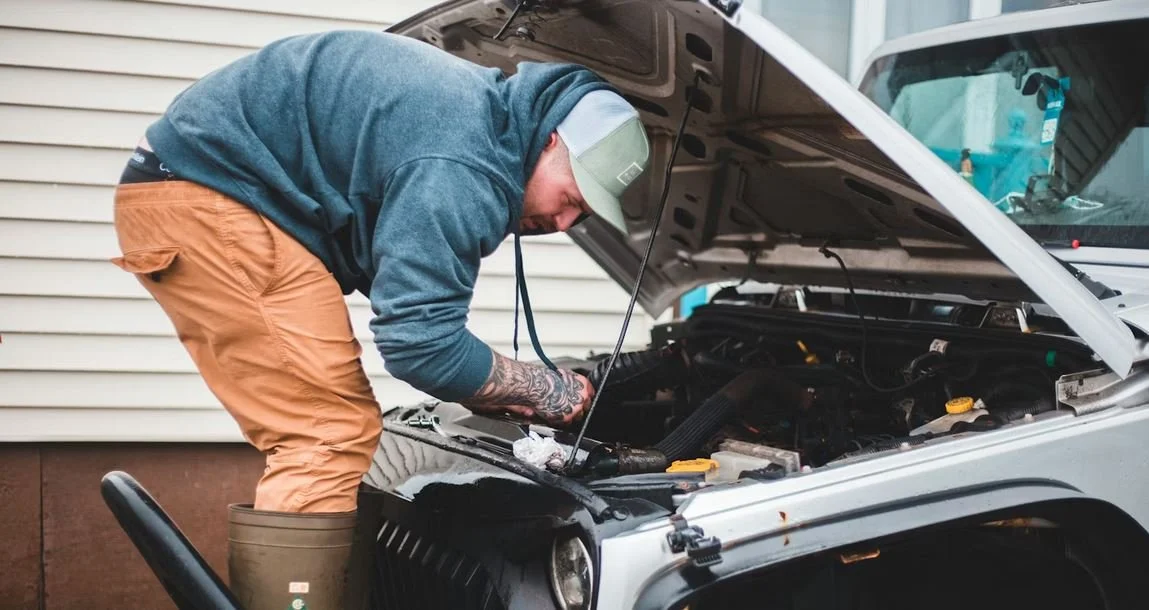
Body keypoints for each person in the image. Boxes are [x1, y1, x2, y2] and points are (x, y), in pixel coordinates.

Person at [108, 29, 650, 609]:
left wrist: (491, 386)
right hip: (209, 198)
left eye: (583, 213)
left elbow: (412, 309)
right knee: (325, 433)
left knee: (332, 426)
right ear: (548, 142)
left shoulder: (478, 123)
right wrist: (548, 390)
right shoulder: (466, 160)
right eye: (571, 195)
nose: (566, 222)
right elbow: (420, 345)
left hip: (203, 188)